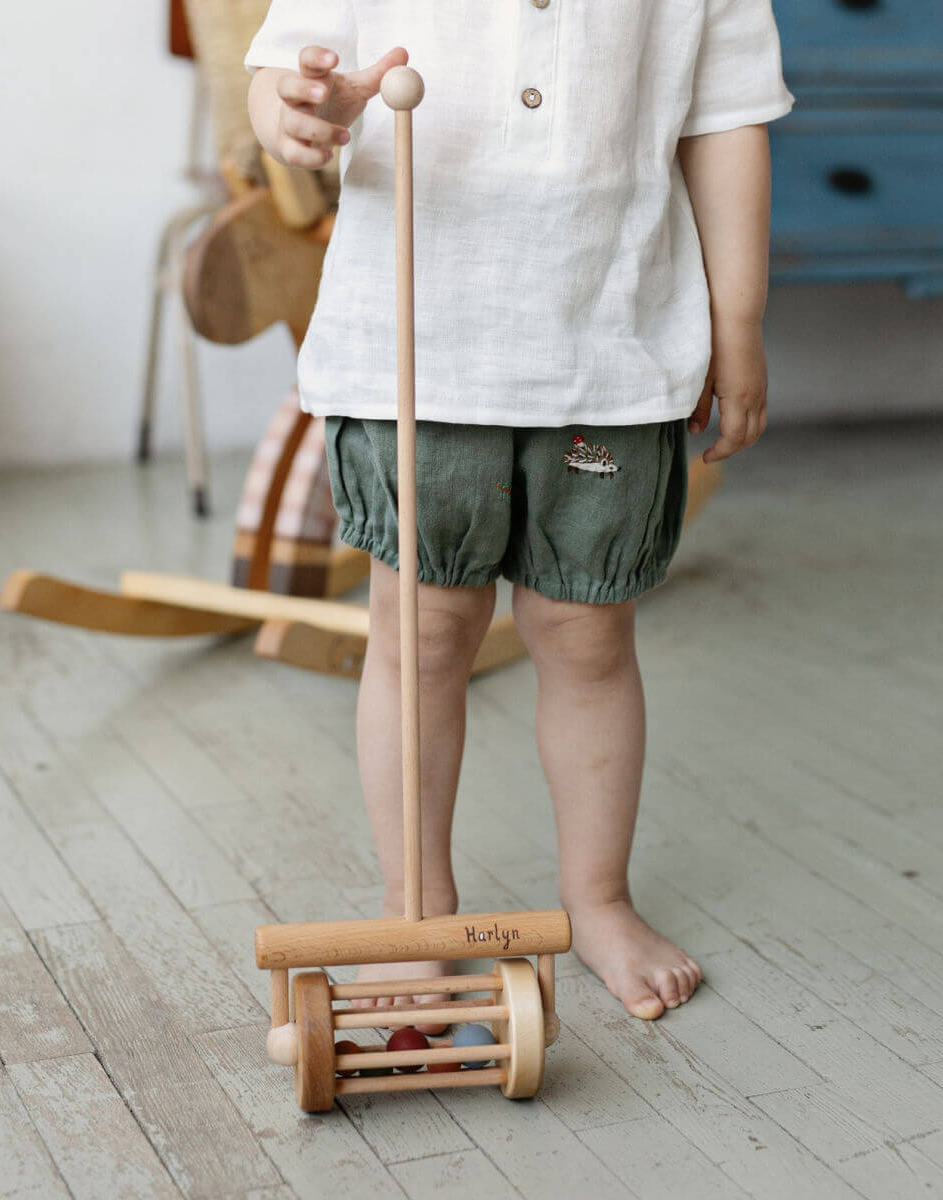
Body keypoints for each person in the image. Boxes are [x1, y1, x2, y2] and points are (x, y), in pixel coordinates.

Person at [246, 2, 793, 1023]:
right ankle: (417, 909)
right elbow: (281, 81)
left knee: (588, 639)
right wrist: (302, 114)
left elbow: (726, 122)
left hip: (609, 352)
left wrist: (739, 322)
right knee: (422, 636)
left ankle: (596, 898)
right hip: (417, 354)